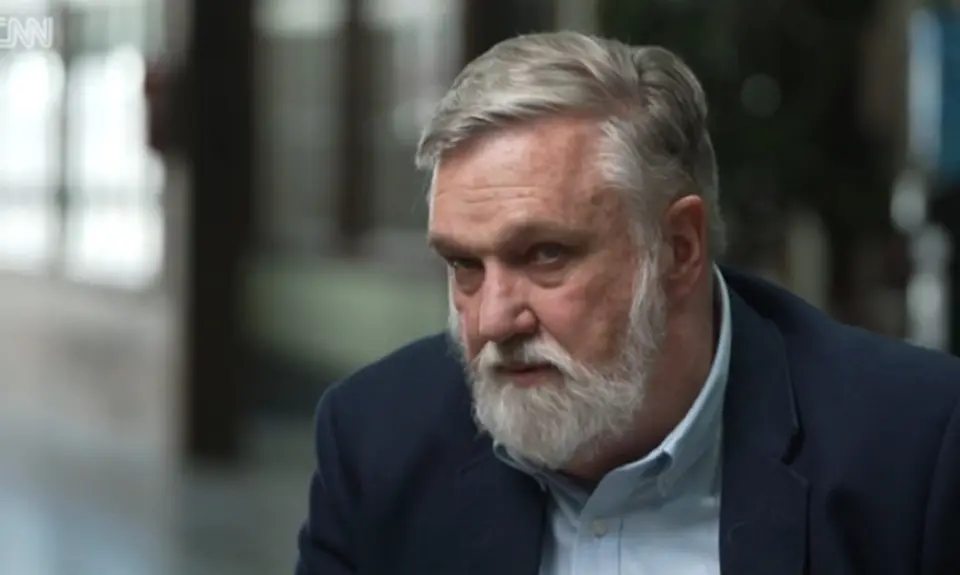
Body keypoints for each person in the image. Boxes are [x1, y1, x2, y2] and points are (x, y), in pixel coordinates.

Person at [294, 32, 960, 574]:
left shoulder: (917, 448)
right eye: (465, 265)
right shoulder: (375, 439)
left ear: (677, 248)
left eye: (544, 254)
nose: (492, 319)